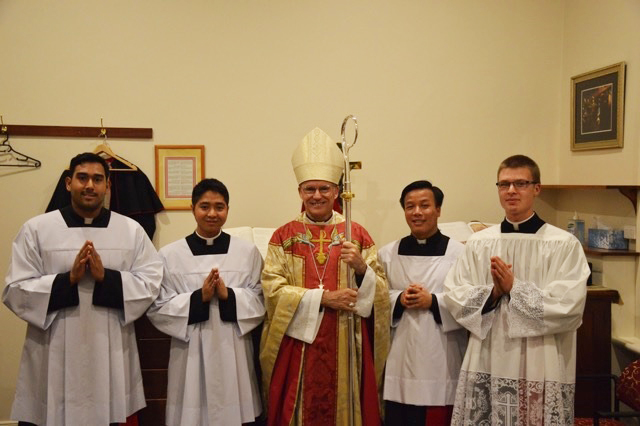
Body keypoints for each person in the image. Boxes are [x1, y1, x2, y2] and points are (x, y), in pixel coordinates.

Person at [3, 152, 163, 425]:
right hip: (53, 346)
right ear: (68, 183)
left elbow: (150, 283)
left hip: (109, 345)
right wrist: (67, 281)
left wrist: (107, 278)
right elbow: (15, 288)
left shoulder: (131, 230)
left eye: (98, 179)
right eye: (82, 177)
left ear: (107, 187)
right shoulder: (37, 229)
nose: (90, 185)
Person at [444, 155, 590, 425]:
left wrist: (515, 288)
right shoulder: (478, 243)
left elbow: (569, 306)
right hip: (488, 356)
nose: (511, 191)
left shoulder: (563, 244)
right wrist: (494, 293)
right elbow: (455, 295)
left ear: (537, 188)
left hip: (540, 359)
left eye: (520, 183)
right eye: (504, 184)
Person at [260, 127, 390, 425]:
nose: (317, 196)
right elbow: (273, 290)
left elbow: (380, 292)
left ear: (336, 191)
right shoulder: (283, 237)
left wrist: (360, 268)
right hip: (299, 346)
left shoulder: (356, 234)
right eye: (309, 189)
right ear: (299, 192)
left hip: (345, 339)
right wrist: (325, 298)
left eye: (324, 189)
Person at [147, 178, 265, 425]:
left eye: (219, 207)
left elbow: (260, 298)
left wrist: (228, 296)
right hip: (189, 350)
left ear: (228, 210)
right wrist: (198, 298)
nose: (212, 213)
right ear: (193, 209)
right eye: (205, 206)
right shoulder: (170, 255)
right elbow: (158, 306)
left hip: (234, 347)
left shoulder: (247, 252)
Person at [378, 180, 467, 426]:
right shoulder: (387, 253)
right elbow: (374, 297)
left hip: (441, 354)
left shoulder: (459, 253)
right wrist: (398, 299)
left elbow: (470, 300)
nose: (417, 212)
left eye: (425, 206)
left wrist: (434, 301)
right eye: (410, 206)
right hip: (400, 355)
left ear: (438, 210)